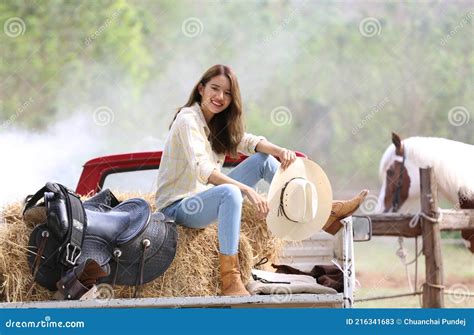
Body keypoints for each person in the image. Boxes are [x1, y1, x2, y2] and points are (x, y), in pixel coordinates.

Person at [155, 64, 367, 296]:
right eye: (215, 89)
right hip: (176, 209)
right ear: (201, 89)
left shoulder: (215, 123)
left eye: (227, 93)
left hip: (201, 202)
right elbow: (203, 169)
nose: (220, 97)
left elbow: (246, 141)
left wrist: (279, 150)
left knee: (263, 160)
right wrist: (248, 190)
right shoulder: (188, 120)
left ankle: (324, 213)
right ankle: (230, 281)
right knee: (230, 192)